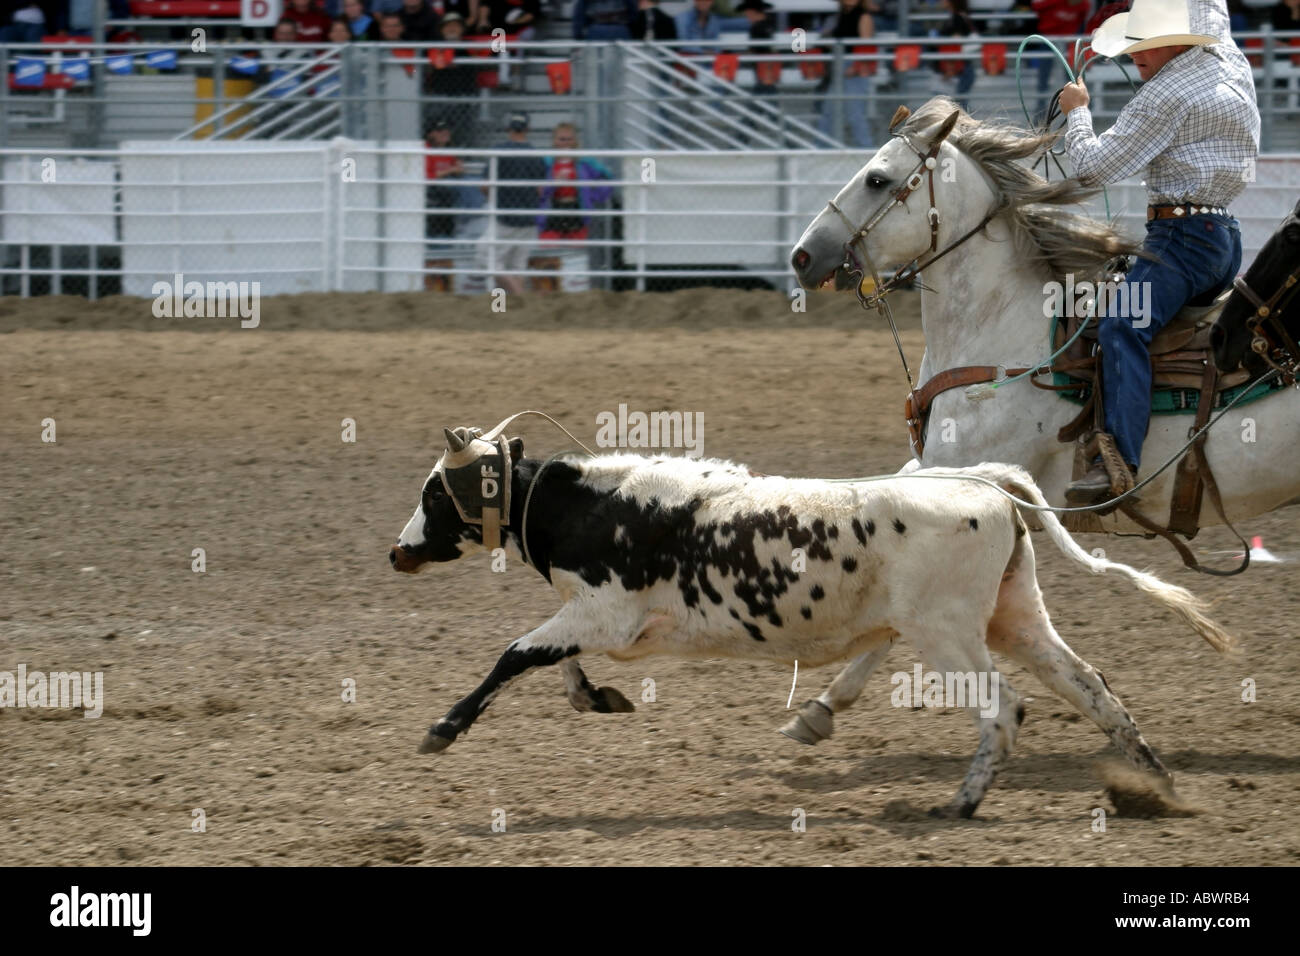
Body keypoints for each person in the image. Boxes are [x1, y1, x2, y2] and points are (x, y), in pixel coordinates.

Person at [1058, 0, 1259, 503]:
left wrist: (1077, 114)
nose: (1134, 58)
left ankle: (1118, 464)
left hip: (1180, 242)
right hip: (1224, 240)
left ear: (1176, 38)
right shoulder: (1229, 61)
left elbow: (1091, 170)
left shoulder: (1165, 94)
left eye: (1142, 46)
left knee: (1121, 324)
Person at [481, 112, 546, 296]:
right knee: (517, 264)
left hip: (505, 217)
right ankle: (514, 308)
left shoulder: (499, 151)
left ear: (509, 128)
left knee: (489, 259)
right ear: (527, 129)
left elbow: (485, 186)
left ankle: (513, 300)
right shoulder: (535, 156)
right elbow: (540, 191)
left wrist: (492, 199)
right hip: (528, 218)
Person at [537, 123, 614, 242]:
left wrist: (591, 195)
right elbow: (538, 190)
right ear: (554, 141)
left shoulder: (585, 162)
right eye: (562, 139)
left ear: (575, 141)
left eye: (570, 139)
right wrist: (553, 182)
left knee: (578, 251)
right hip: (552, 210)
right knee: (549, 248)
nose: (566, 143)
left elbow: (607, 178)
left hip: (577, 209)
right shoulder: (546, 163)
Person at [817, 0, 875, 148]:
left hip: (853, 66)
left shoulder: (863, 16)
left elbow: (866, 44)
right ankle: (821, 148)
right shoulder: (841, 15)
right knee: (828, 111)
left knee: (855, 112)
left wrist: (856, 66)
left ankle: (865, 148)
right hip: (840, 65)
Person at [1030, 0, 1092, 122]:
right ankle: (1040, 113)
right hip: (1048, 41)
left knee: (1071, 79)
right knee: (1043, 78)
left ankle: (1073, 112)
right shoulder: (1053, 2)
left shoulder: (1084, 5)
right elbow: (1035, 5)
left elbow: (1082, 22)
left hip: (1068, 43)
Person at [936, 0, 976, 112]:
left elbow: (954, 46)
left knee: (958, 107)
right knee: (958, 105)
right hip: (960, 67)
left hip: (960, 68)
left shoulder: (957, 18)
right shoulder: (957, 17)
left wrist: (950, 69)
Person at [738, 0, 778, 95]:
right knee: (767, 92)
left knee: (763, 93)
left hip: (763, 66)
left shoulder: (756, 28)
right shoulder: (770, 24)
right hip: (770, 65)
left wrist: (738, 57)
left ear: (752, 12)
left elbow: (754, 50)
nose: (747, 16)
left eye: (747, 13)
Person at [572, 0, 637, 39]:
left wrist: (578, 35)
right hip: (619, 28)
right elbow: (633, 12)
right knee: (622, 60)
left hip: (597, 29)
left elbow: (579, 14)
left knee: (595, 59)